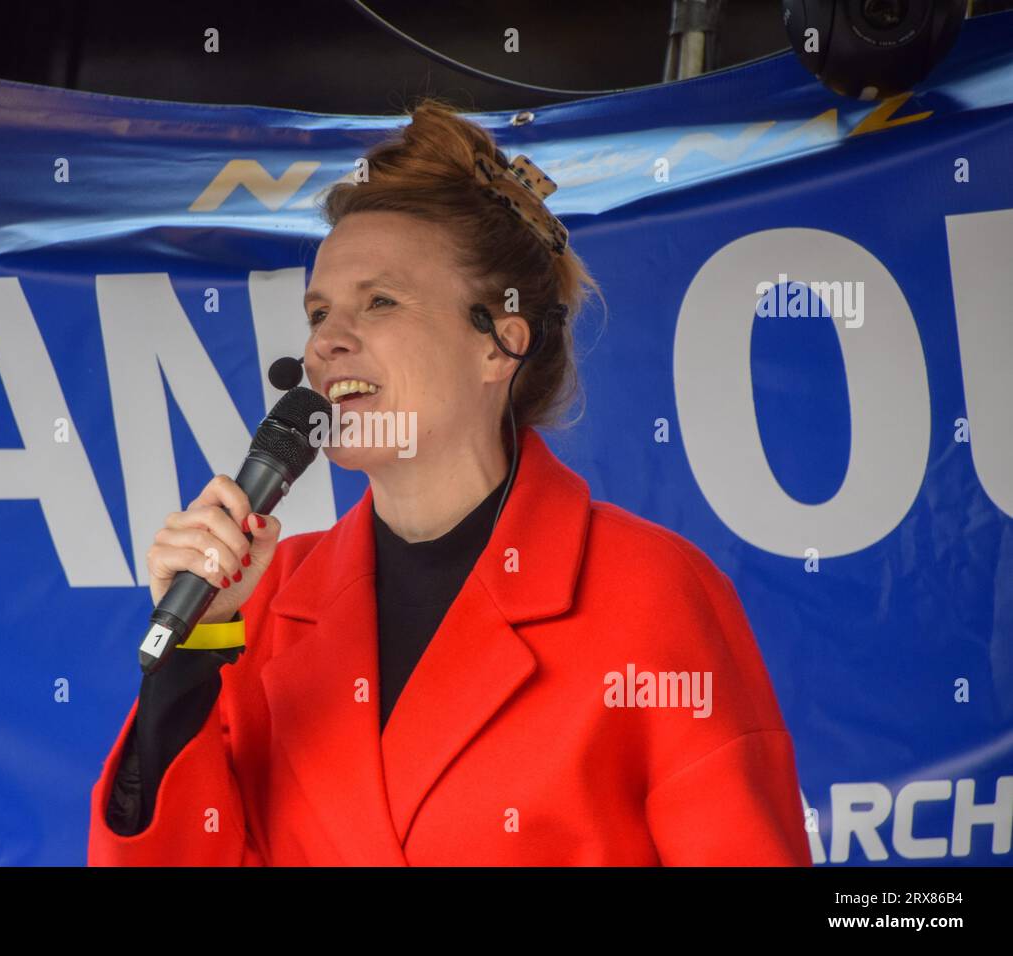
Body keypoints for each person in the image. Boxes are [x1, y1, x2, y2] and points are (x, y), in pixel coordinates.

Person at [88, 97, 812, 866]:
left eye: (381, 302)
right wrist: (190, 655)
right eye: (319, 311)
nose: (326, 342)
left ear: (500, 344)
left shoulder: (653, 592)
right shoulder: (263, 603)